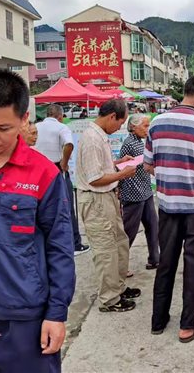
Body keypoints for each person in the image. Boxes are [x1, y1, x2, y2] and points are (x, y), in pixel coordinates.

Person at [0, 68, 75, 372]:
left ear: (24, 119)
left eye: (4, 127)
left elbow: (60, 248)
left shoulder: (43, 173)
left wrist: (57, 313)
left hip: (26, 322)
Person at [144, 75, 194, 343]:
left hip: (167, 204)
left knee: (166, 262)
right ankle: (188, 325)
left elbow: (147, 165)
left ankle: (158, 320)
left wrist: (170, 169)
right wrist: (192, 169)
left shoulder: (155, 123)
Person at [76, 99, 140, 313]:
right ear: (112, 116)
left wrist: (118, 162)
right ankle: (109, 298)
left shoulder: (99, 136)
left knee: (119, 243)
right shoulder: (93, 138)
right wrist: (122, 173)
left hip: (106, 198)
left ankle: (118, 287)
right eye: (120, 123)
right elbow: (95, 178)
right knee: (106, 250)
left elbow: (99, 167)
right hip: (96, 199)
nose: (119, 128)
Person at [35, 104, 90, 256]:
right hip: (55, 169)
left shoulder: (36, 127)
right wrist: (64, 163)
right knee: (67, 207)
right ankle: (75, 244)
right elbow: (69, 144)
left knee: (42, 207)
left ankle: (46, 244)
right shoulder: (61, 127)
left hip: (38, 171)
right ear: (60, 116)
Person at [119, 114, 160, 273]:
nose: (147, 129)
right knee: (129, 231)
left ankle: (155, 259)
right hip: (133, 193)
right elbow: (121, 168)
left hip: (145, 190)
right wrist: (119, 189)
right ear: (133, 127)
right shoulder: (129, 143)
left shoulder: (140, 142)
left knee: (152, 226)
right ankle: (121, 266)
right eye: (145, 126)